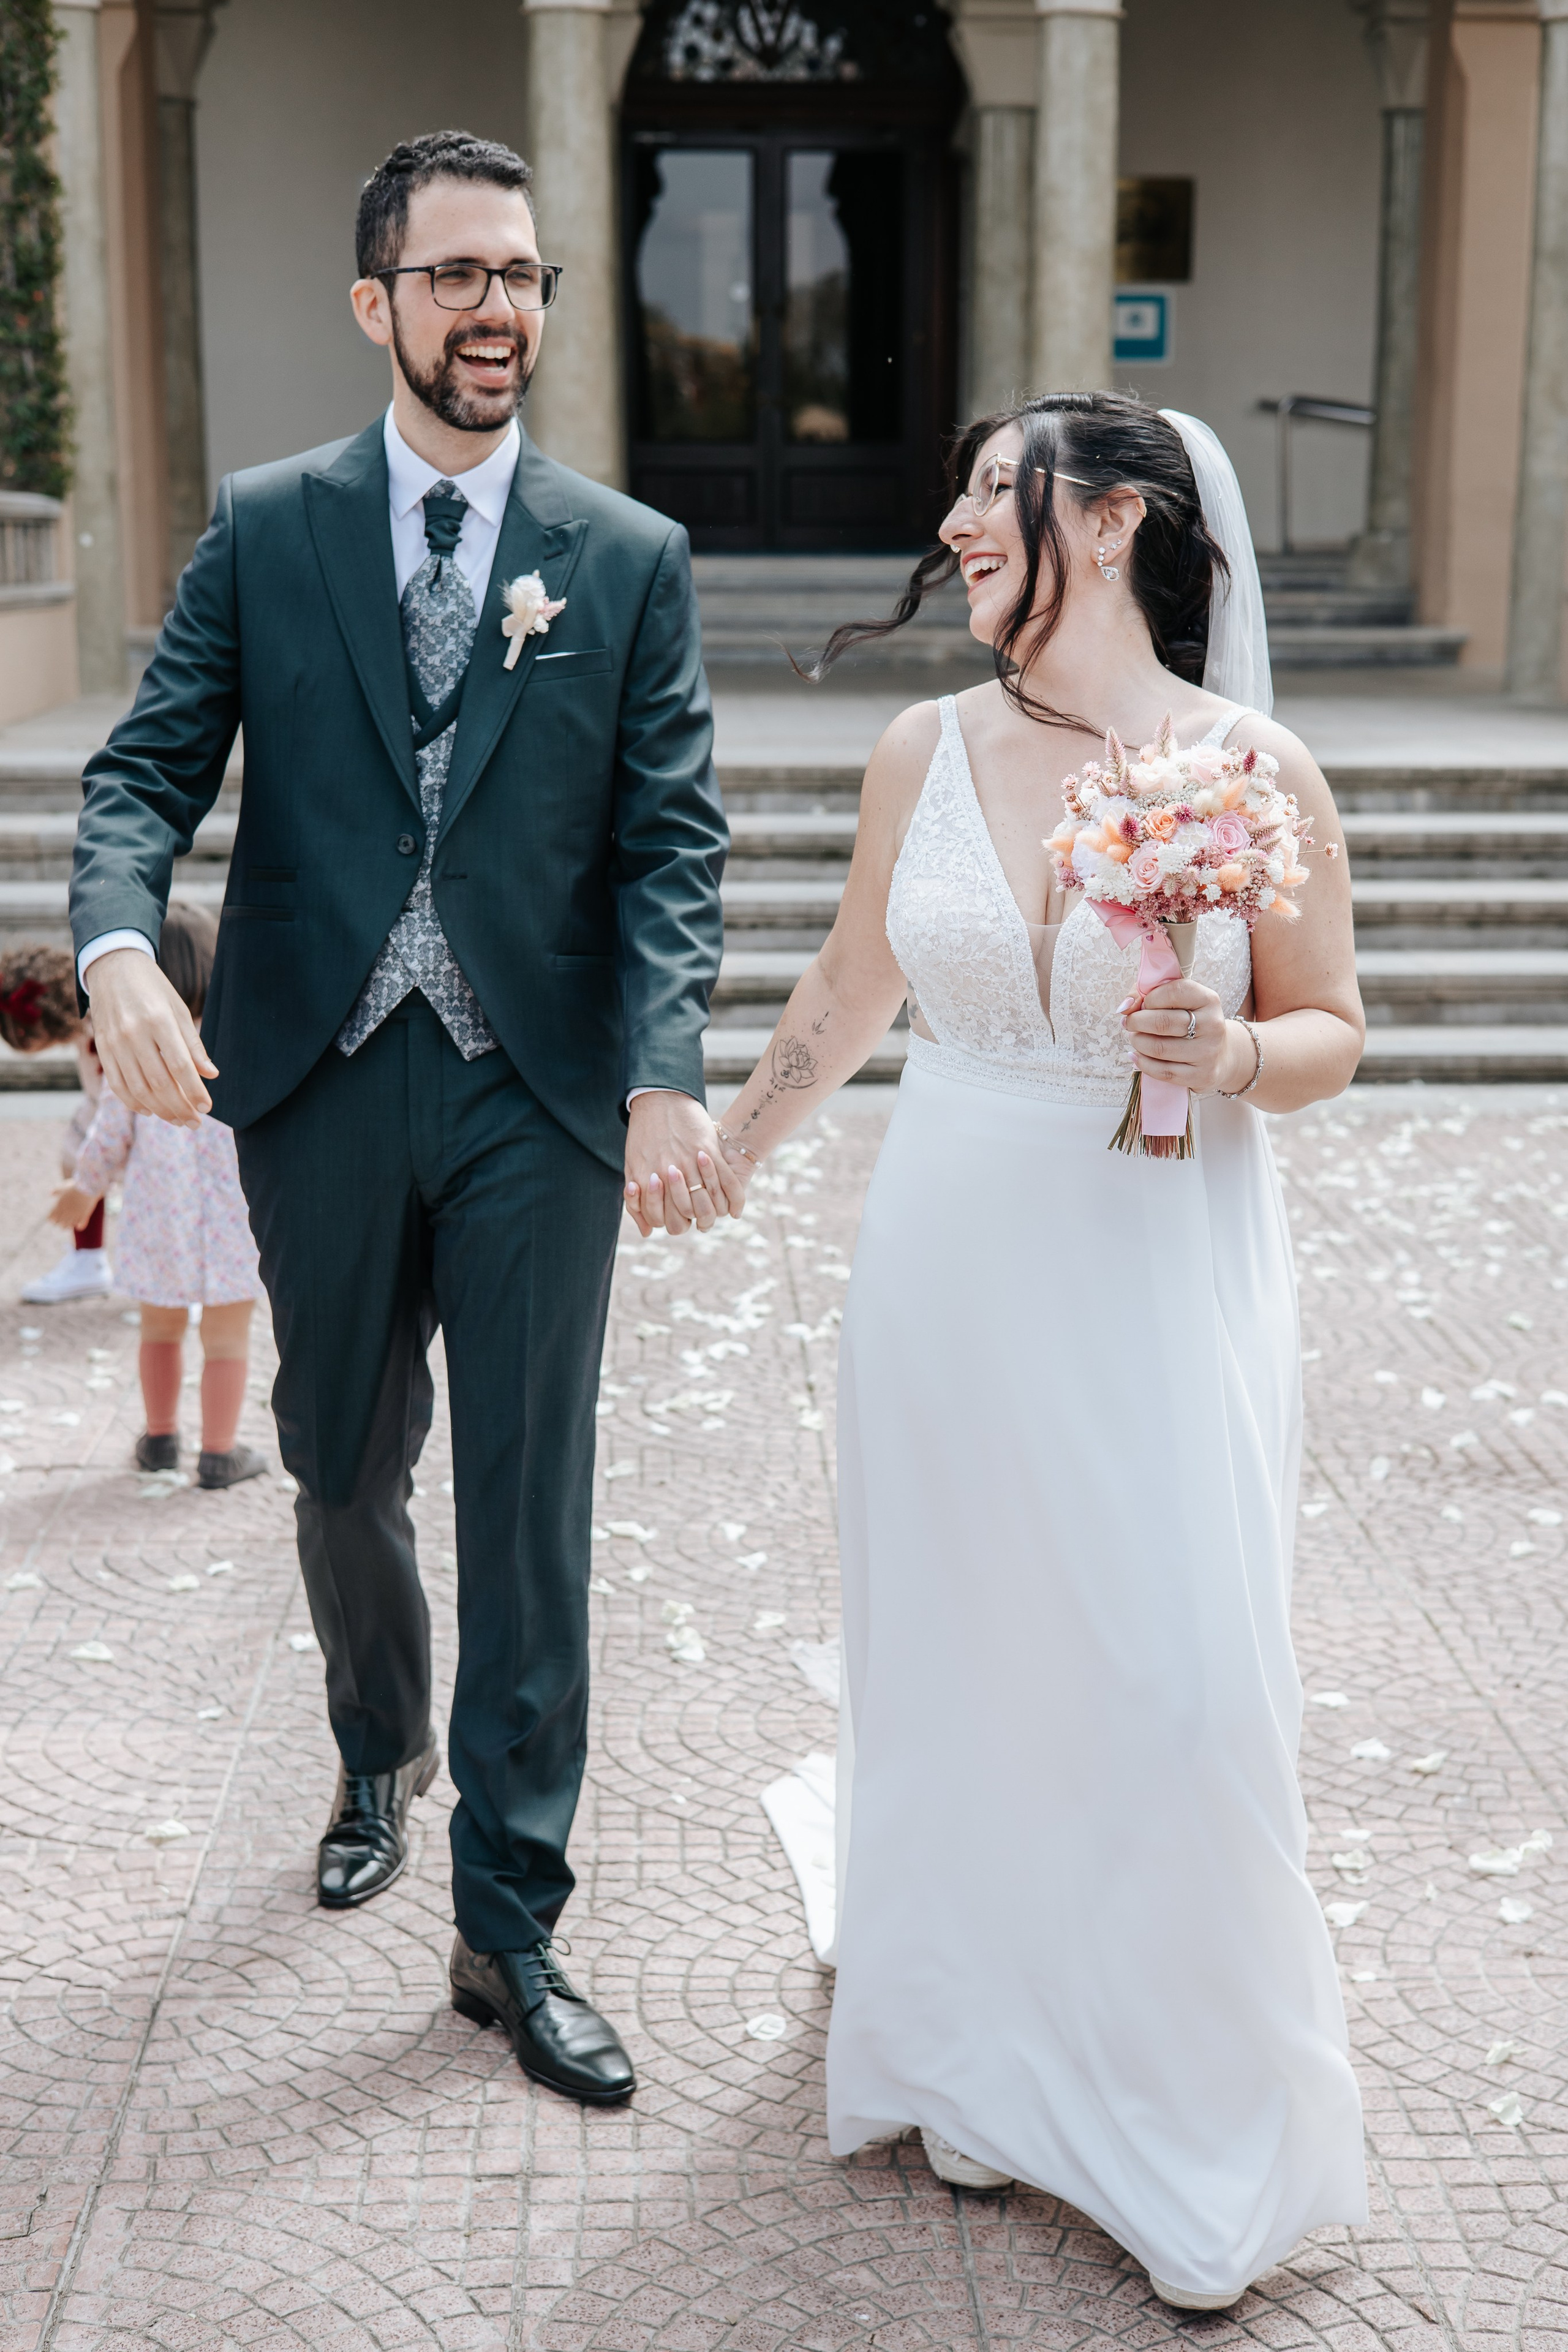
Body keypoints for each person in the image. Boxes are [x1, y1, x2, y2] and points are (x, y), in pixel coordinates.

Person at [68, 130, 741, 2105]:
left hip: (541, 1090)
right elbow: (143, 772)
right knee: (337, 1458)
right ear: (378, 302)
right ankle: (380, 1742)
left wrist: (663, 1062)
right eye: (456, 275)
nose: (494, 307)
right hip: (322, 1076)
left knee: (531, 1499)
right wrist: (117, 949)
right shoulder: (268, 528)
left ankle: (508, 1920)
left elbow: (673, 843)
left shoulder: (626, 557)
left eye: (519, 274)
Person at [706, 394, 1368, 2309]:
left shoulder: (1252, 766)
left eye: (1000, 490)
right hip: (948, 1260)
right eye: (964, 493)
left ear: (1119, 518)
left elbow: (1330, 1028)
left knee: (1176, 1682)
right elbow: (854, 984)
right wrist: (728, 1153)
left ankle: (1188, 2115)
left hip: (1155, 1272)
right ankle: (973, 2056)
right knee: (965, 1654)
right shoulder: (922, 746)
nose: (959, 521)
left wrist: (1229, 1052)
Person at [51, 904, 266, 1487]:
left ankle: (161, 1438)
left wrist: (84, 1188)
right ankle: (219, 1453)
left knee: (160, 1330)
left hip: (158, 1219)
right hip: (236, 1219)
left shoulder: (137, 1048)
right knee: (227, 1339)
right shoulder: (245, 1042)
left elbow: (109, 1133)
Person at [0, 944, 114, 1303]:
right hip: (99, 1103)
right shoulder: (80, 1019)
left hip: (131, 1110)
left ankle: (181, 1279)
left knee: (154, 1186)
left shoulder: (104, 1016)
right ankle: (88, 1258)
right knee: (74, 1157)